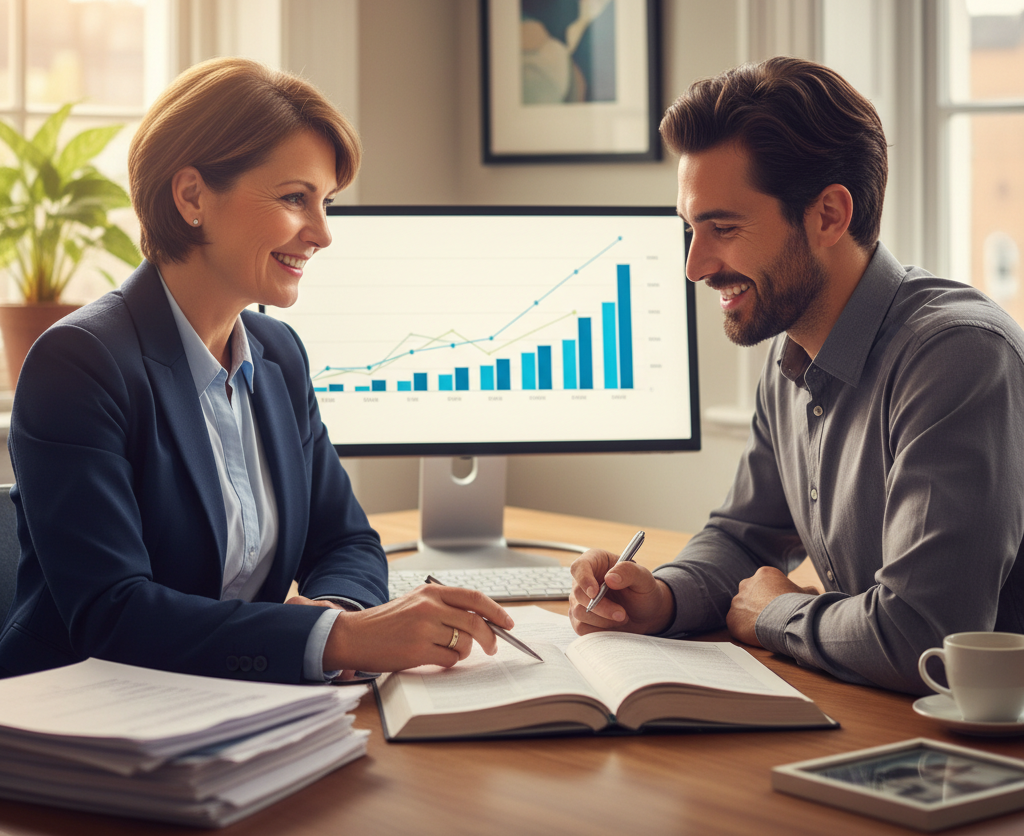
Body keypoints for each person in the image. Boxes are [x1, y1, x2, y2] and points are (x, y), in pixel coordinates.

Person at [0, 57, 512, 683]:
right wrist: (338, 639)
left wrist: (341, 615)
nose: (321, 234)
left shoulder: (278, 356)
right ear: (192, 196)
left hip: (238, 705)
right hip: (82, 719)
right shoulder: (80, 364)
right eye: (296, 199)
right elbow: (113, 612)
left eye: (324, 202)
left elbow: (346, 541)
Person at [569, 56, 1024, 694]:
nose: (695, 267)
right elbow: (742, 535)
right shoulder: (792, 353)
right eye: (690, 230)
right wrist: (661, 597)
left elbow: (927, 636)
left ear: (829, 216)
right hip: (880, 722)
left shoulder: (958, 358)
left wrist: (775, 614)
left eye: (722, 228)